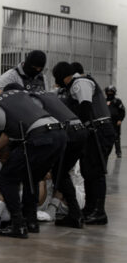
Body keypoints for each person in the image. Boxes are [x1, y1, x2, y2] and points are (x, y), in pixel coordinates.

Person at [0, 84, 67, 238]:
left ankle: (18, 224)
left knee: (6, 179)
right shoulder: (21, 97)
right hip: (59, 134)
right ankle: (31, 222)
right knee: (32, 177)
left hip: (40, 137)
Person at [52, 62, 116, 225]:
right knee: (88, 171)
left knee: (96, 171)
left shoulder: (81, 83)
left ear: (64, 76)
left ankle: (99, 211)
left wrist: (80, 126)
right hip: (92, 130)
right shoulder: (75, 85)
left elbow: (85, 105)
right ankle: (89, 208)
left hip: (99, 130)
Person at [28, 89, 88, 228]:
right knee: (61, 174)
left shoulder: (32, 99)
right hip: (80, 131)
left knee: (59, 175)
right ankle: (75, 214)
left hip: (68, 134)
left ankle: (75, 214)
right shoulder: (49, 95)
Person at [105, 86, 124, 159]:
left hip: (115, 122)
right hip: (107, 122)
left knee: (116, 137)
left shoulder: (117, 101)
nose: (109, 93)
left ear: (114, 92)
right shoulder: (104, 101)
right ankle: (106, 151)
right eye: (108, 92)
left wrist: (120, 120)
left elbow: (122, 111)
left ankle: (118, 152)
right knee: (106, 137)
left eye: (111, 92)